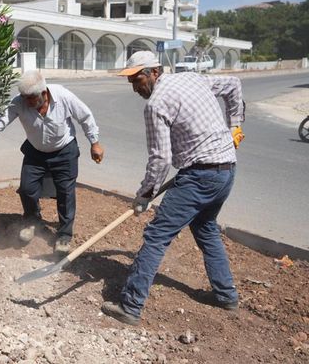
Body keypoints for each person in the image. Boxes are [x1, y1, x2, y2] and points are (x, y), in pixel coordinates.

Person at [101, 51, 246, 326]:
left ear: (155, 72)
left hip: (200, 176)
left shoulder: (156, 104)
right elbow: (233, 85)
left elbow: (161, 159)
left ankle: (130, 306)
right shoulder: (192, 79)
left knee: (156, 236)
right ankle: (226, 296)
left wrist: (145, 194)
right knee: (205, 228)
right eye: (130, 81)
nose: (134, 87)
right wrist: (235, 124)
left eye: (138, 79)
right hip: (226, 170)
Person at [0, 70, 104, 254]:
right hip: (35, 152)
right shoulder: (19, 103)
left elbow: (85, 116)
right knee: (27, 188)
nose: (26, 102)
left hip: (64, 151)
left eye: (30, 98)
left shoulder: (63, 96)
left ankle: (64, 235)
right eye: (24, 97)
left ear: (44, 94)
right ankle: (32, 221)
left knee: (65, 193)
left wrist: (95, 143)